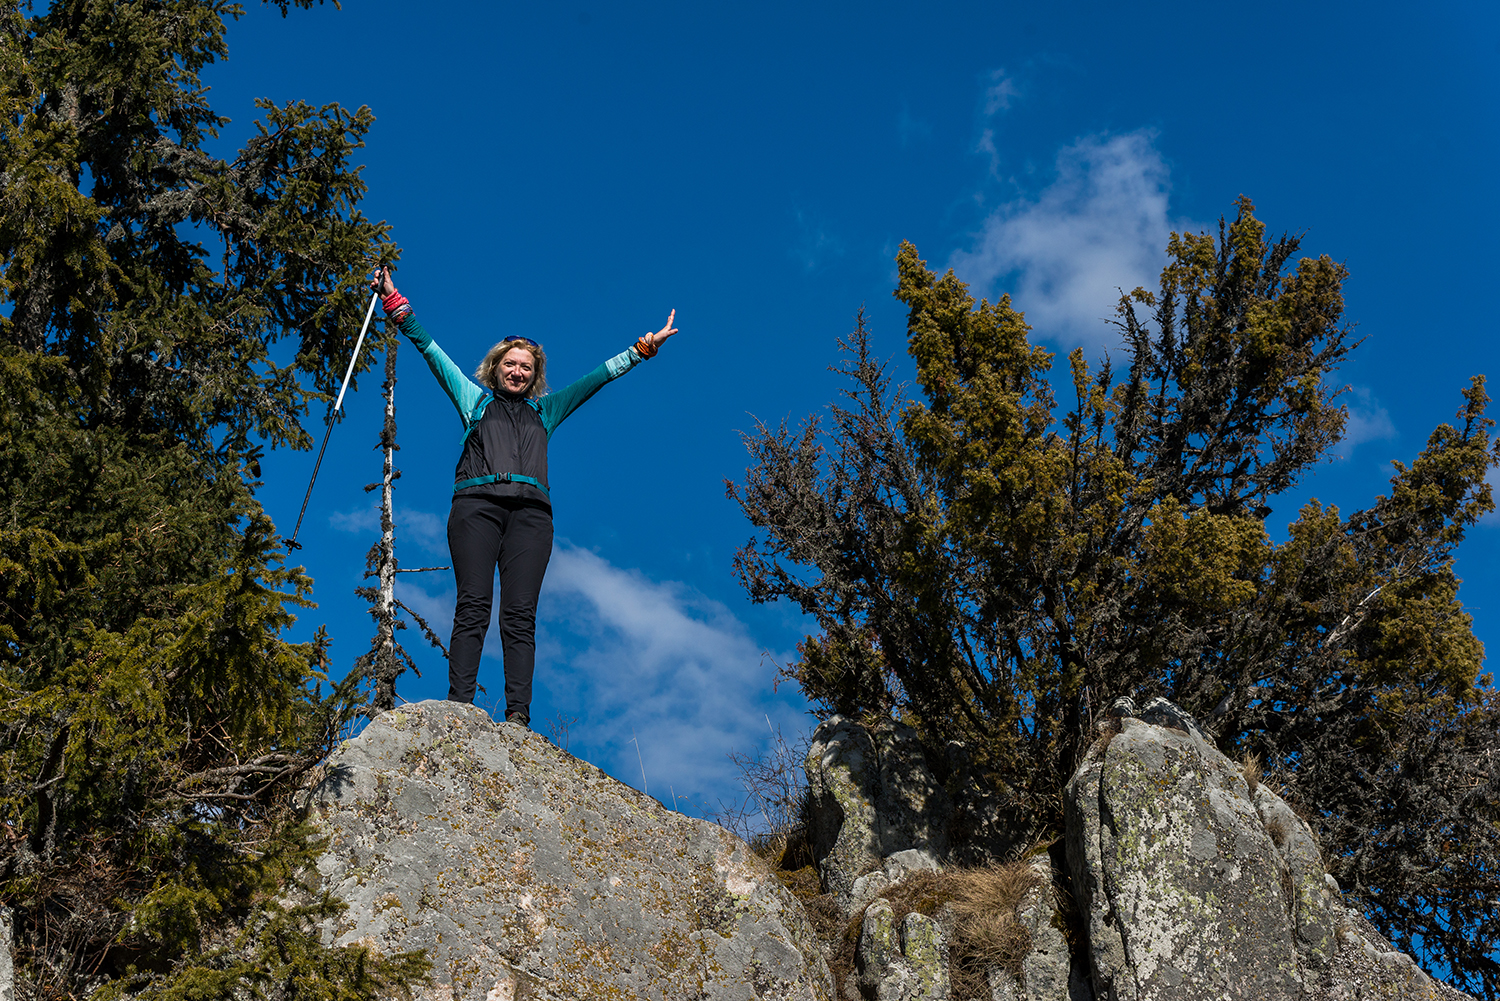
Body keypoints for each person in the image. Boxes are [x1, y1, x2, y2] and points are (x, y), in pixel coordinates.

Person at [370, 268, 679, 726]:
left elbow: (597, 378)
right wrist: (395, 302)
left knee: (520, 614)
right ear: (496, 367)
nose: (517, 371)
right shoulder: (474, 401)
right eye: (510, 364)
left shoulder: (546, 410)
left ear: (535, 377)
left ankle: (517, 716)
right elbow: (431, 351)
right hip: (476, 508)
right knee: (473, 604)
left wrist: (642, 349)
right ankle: (459, 707)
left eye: (526, 368)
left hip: (532, 517)